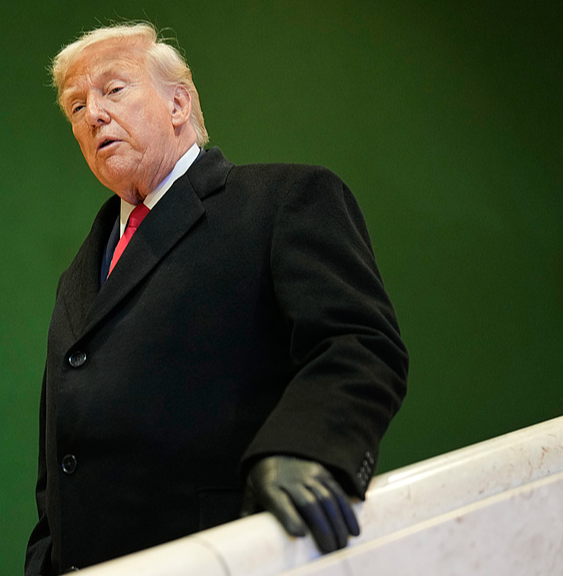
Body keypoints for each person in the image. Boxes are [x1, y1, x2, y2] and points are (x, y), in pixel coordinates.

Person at [25, 22, 408, 575]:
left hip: (228, 554)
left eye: (113, 90)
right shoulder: (80, 272)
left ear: (178, 104)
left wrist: (309, 446)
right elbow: (60, 461)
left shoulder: (282, 201)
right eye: (76, 106)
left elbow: (358, 344)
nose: (94, 115)